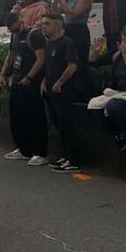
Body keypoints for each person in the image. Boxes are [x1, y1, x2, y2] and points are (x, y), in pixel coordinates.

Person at [88, 23, 126, 155]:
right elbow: (93, 62)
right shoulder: (116, 55)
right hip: (118, 94)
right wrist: (95, 51)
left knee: (114, 106)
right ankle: (118, 133)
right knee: (94, 107)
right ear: (124, 37)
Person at [0, 12, 48, 166]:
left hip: (32, 82)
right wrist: (3, 74)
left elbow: (41, 58)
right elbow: (11, 55)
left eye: (16, 28)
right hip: (17, 80)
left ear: (21, 22)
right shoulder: (15, 37)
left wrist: (30, 77)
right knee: (17, 116)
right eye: (11, 30)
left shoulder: (35, 35)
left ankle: (40, 152)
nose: (14, 32)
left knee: (34, 116)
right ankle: (23, 149)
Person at [40, 13, 82, 173]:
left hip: (64, 90)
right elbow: (51, 66)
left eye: (47, 24)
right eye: (43, 23)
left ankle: (74, 160)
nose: (43, 26)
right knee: (58, 124)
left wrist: (60, 82)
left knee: (67, 124)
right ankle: (66, 156)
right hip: (50, 90)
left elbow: (72, 66)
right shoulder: (49, 44)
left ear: (58, 25)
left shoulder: (67, 43)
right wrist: (45, 81)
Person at [51, 0, 93, 73]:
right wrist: (54, 0)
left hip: (79, 31)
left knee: (79, 61)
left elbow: (73, 14)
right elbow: (56, 12)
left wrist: (61, 0)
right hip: (67, 30)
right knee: (67, 59)